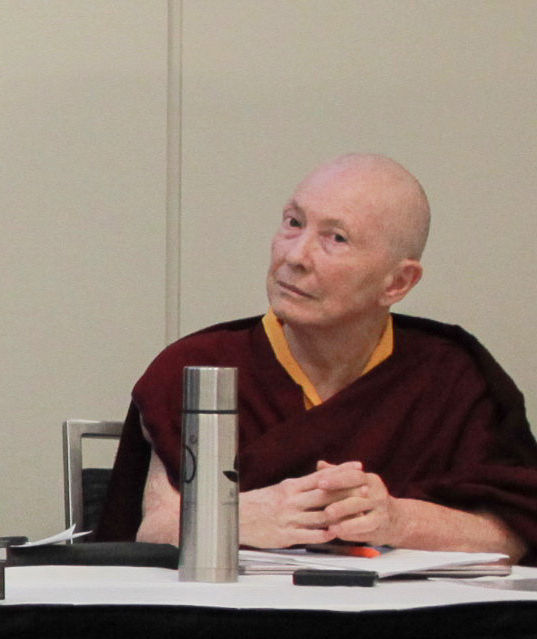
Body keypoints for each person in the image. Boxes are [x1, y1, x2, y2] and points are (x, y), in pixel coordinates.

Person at [97, 153, 537, 558]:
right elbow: (151, 528)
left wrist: (398, 520)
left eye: (336, 238)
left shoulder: (450, 377)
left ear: (397, 283)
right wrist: (244, 516)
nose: (294, 256)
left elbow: (515, 536)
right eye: (292, 222)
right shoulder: (199, 365)